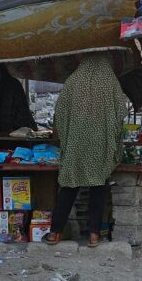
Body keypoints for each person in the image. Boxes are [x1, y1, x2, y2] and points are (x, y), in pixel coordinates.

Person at [43, 53, 128, 247]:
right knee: (98, 189)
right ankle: (94, 236)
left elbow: (60, 113)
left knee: (69, 186)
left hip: (76, 144)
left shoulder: (73, 81)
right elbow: (121, 112)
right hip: (101, 144)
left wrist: (68, 137)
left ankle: (55, 233)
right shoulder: (110, 81)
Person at [0, 65, 37, 135]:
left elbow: (22, 111)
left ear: (3, 72)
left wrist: (9, 131)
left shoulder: (13, 85)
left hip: (17, 132)